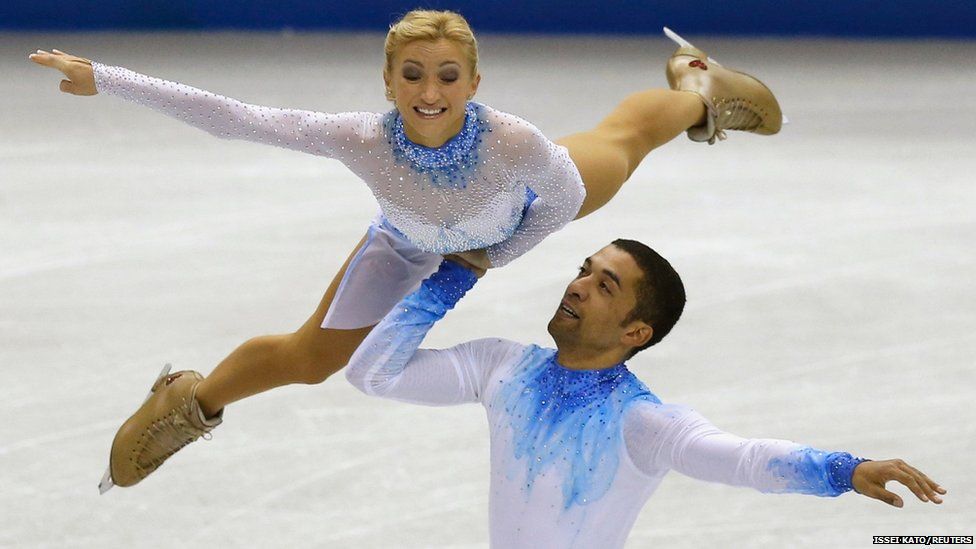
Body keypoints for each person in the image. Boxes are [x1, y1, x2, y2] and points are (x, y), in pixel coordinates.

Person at [28, 10, 782, 490]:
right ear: (389, 80)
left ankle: (698, 87)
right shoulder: (359, 137)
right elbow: (236, 118)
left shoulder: (514, 143)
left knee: (625, 139)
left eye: (447, 75)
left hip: (518, 212)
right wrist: (107, 79)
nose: (430, 90)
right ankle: (186, 402)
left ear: (473, 81)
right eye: (413, 74)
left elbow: (554, 206)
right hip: (403, 244)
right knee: (311, 355)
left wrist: (492, 255)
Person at [344, 242, 945, 548]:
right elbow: (373, 374)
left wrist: (844, 470)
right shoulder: (500, 366)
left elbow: (742, 458)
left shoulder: (641, 422)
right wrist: (447, 283)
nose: (576, 287)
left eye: (603, 286)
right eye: (583, 270)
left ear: (636, 333)